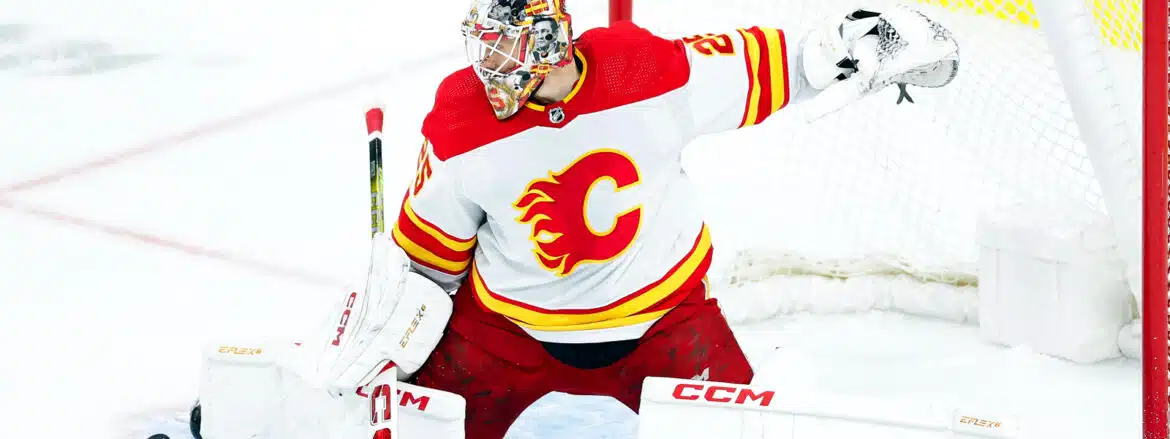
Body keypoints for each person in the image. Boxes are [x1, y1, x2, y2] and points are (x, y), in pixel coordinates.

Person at [189, 2, 958, 439]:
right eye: (482, 50)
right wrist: (388, 328)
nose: (488, 69)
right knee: (393, 416)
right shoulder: (460, 121)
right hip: (508, 336)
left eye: (507, 51)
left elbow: (778, 64)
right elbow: (430, 260)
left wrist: (860, 43)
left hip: (667, 321)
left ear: (551, 41)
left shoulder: (647, 71)